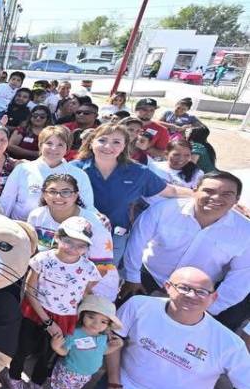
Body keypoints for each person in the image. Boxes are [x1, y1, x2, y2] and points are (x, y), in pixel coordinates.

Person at [84, 267, 250, 389]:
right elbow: (113, 340)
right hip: (129, 384)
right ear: (168, 286)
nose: (192, 296)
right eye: (184, 288)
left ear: (213, 298)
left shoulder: (229, 343)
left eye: (202, 292)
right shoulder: (139, 305)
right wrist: (114, 384)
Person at [122, 171, 250, 331]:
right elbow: (137, 240)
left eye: (227, 194)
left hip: (198, 294)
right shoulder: (164, 210)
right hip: (149, 277)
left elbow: (241, 278)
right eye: (209, 191)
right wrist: (132, 277)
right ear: (195, 190)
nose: (216, 198)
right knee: (127, 326)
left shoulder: (245, 232)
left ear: (236, 200)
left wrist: (209, 308)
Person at [9, 216, 101, 389]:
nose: (72, 248)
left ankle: (36, 385)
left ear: (87, 248)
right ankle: (14, 379)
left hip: (65, 318)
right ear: (58, 237)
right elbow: (29, 289)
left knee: (48, 356)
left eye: (80, 245)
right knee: (22, 349)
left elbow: (85, 294)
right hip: (36, 313)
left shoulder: (89, 269)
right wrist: (48, 321)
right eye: (68, 241)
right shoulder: (43, 259)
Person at [71, 123, 192, 264]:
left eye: (116, 142)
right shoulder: (74, 169)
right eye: (102, 140)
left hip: (114, 238)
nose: (108, 146)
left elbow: (170, 190)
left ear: (124, 146)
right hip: (74, 235)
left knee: (103, 280)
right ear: (91, 142)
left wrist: (199, 194)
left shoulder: (138, 172)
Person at [27, 174, 118, 300]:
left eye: (66, 192)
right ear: (44, 194)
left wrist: (77, 292)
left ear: (75, 195)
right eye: (52, 191)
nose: (58, 197)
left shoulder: (95, 223)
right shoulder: (36, 216)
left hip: (88, 288)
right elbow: (33, 252)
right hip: (48, 287)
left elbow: (102, 266)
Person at [46, 296, 124, 389]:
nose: (96, 324)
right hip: (69, 373)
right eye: (91, 317)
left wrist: (115, 346)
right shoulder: (75, 333)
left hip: (85, 376)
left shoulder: (102, 336)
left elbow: (101, 351)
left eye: (103, 321)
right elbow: (64, 351)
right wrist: (56, 346)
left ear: (108, 324)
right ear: (83, 315)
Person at [0, 126, 94, 221]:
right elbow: (6, 201)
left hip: (63, 231)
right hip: (22, 228)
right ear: (40, 146)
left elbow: (87, 207)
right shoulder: (22, 169)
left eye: (60, 145)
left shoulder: (79, 175)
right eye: (49, 143)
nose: (53, 148)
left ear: (67, 149)